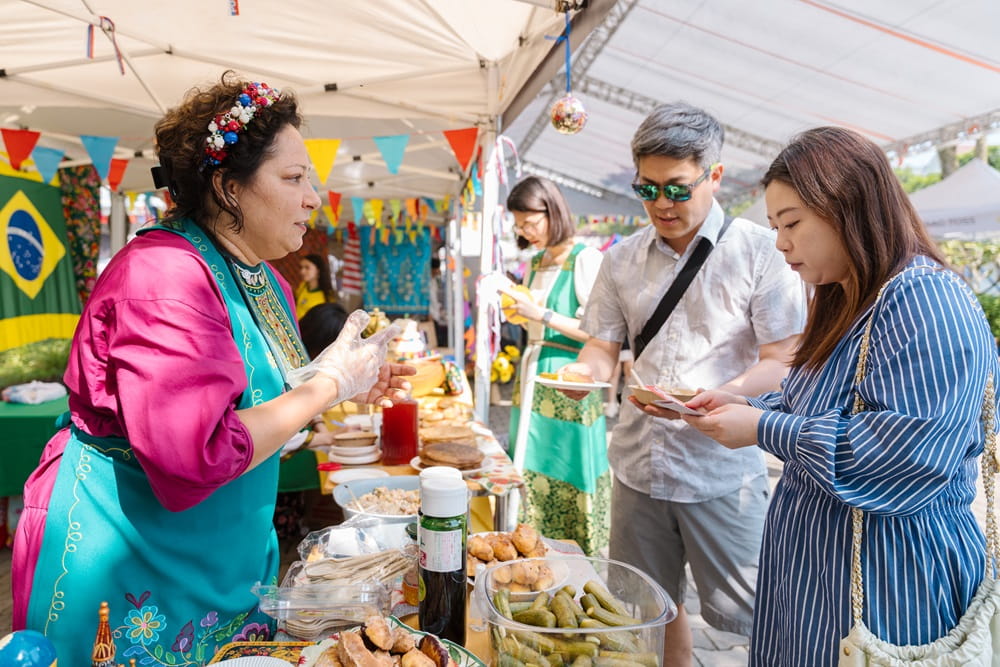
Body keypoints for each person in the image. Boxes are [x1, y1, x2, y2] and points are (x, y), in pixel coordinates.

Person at [11, 72, 413, 664]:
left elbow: (263, 408)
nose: (314, 197)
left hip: (221, 556)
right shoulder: (164, 279)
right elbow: (193, 455)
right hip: (133, 559)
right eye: (294, 177)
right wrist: (329, 384)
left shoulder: (264, 276)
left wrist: (336, 382)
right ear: (228, 188)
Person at [675, 126, 1000, 666]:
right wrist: (746, 408)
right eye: (776, 225)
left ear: (848, 206)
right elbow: (817, 408)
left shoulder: (926, 300)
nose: (780, 243)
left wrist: (762, 428)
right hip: (821, 585)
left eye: (792, 223)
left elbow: (907, 454)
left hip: (891, 586)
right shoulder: (851, 300)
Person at [560, 102, 806, 666]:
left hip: (720, 467)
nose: (661, 205)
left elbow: (783, 358)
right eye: (647, 190)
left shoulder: (760, 251)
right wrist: (582, 375)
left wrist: (730, 392)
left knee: (755, 613)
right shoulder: (620, 260)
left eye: (676, 188)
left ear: (714, 176)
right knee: (645, 610)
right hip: (638, 466)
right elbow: (601, 348)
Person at [499, 175, 610, 556]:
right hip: (532, 373)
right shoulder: (535, 262)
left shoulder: (585, 259)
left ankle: (575, 558)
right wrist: (521, 314)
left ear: (552, 211)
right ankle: (531, 552)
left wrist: (541, 314)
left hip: (570, 374)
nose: (526, 232)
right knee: (528, 465)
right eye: (519, 226)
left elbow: (599, 330)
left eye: (531, 223)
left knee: (566, 466)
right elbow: (536, 319)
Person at [295, 252, 337, 320]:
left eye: (307, 267)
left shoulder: (327, 296)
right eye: (301, 267)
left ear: (318, 270)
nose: (302, 271)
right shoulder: (303, 286)